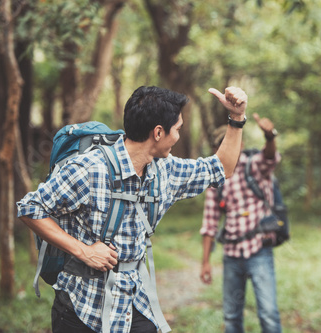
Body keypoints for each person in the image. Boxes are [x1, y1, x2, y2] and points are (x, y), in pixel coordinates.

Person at [17, 85, 248, 333]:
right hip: (81, 307)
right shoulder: (89, 169)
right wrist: (84, 251)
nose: (179, 136)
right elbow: (30, 208)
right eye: (177, 129)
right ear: (158, 132)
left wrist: (236, 118)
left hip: (133, 302)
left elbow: (222, 168)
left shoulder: (165, 170)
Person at [200, 113, 282, 333]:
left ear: (240, 144)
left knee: (268, 313)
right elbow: (209, 223)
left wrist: (270, 136)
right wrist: (206, 262)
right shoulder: (215, 181)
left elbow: (270, 157)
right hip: (232, 255)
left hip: (259, 251)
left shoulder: (253, 165)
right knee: (232, 316)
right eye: (221, 146)